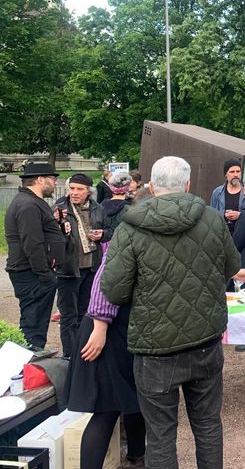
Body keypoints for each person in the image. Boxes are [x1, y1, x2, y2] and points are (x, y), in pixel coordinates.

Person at [102, 156, 245, 469]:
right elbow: (231, 267)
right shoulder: (212, 219)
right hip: (204, 339)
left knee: (161, 435)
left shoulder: (130, 228)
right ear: (188, 185)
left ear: (152, 187)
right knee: (208, 425)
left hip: (156, 347)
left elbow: (114, 290)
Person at [66, 178, 145, 469]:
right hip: (105, 329)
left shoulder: (138, 238)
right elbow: (104, 284)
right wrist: (100, 326)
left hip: (122, 329)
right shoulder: (128, 240)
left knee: (134, 399)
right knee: (107, 408)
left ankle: (136, 455)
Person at [4, 162, 63, 349]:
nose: (55, 183)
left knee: (36, 323)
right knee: (33, 324)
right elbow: (32, 243)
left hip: (34, 272)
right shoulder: (27, 204)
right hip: (31, 273)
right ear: (40, 180)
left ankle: (32, 356)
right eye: (52, 179)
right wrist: (45, 274)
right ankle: (29, 360)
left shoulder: (32, 202)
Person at [53, 173, 110, 358]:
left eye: (80, 189)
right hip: (68, 269)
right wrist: (57, 225)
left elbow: (110, 231)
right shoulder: (60, 208)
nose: (75, 193)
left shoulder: (98, 208)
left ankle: (83, 354)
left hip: (92, 268)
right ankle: (69, 356)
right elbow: (50, 236)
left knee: (86, 313)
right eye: (72, 188)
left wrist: (102, 234)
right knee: (68, 315)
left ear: (88, 191)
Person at [210, 158, 245, 234]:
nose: (235, 175)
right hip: (222, 234)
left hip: (242, 234)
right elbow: (212, 215)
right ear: (226, 174)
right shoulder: (217, 192)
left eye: (238, 171)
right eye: (232, 172)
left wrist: (240, 215)